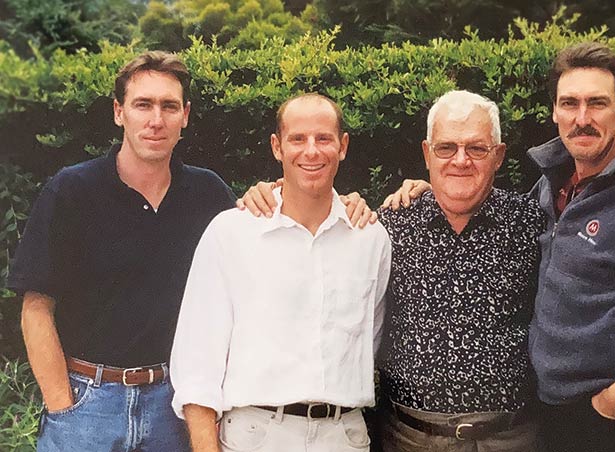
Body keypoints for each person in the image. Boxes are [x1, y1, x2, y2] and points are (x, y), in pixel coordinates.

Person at [381, 42, 615, 452]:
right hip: (553, 420)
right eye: (569, 103)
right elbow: (467, 187)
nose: (582, 118)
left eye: (597, 103)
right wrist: (432, 191)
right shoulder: (551, 191)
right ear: (554, 111)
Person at [8, 51, 374, 452]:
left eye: (168, 106)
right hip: (89, 404)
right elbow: (36, 306)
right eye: (142, 104)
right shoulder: (72, 191)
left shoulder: (208, 194)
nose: (155, 119)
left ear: (184, 115)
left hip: (172, 407)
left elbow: (271, 227)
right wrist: (63, 406)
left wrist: (323, 199)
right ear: (119, 112)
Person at [243, 90, 546, 451]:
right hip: (410, 439)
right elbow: (318, 219)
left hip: (510, 439)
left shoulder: (532, 223)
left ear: (498, 156)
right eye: (446, 147)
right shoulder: (389, 225)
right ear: (426, 153)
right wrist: (275, 194)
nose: (460, 160)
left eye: (477, 148)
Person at [169, 93, 392, 452]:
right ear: (277, 147)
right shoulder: (233, 232)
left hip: (343, 436)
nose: (311, 152)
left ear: (343, 146)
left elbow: (373, 339)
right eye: (297, 139)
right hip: (255, 435)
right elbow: (197, 364)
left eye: (323, 139)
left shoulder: (371, 238)